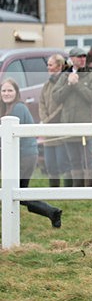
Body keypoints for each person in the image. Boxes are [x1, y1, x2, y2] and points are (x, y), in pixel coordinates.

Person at [1, 78, 62, 227]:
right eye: (3, 90)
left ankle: (52, 212)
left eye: (10, 90)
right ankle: (52, 213)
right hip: (21, 156)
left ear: (16, 93)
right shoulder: (8, 108)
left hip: (24, 157)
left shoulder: (18, 109)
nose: (6, 93)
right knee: (19, 193)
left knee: (17, 193)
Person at [52, 47, 92, 187]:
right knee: (74, 160)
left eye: (84, 56)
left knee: (87, 159)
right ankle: (77, 189)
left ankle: (90, 189)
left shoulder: (91, 76)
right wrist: (68, 84)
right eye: (79, 57)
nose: (82, 59)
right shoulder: (64, 76)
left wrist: (77, 84)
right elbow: (56, 97)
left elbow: (91, 97)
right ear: (72, 59)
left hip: (85, 125)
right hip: (68, 125)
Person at [39, 53, 71, 187]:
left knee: (63, 164)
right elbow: (41, 103)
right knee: (51, 165)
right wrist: (44, 119)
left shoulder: (65, 82)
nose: (48, 67)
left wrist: (48, 121)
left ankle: (68, 192)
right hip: (48, 133)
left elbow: (63, 105)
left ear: (59, 66)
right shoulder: (46, 85)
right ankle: (54, 191)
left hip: (60, 131)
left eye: (50, 65)